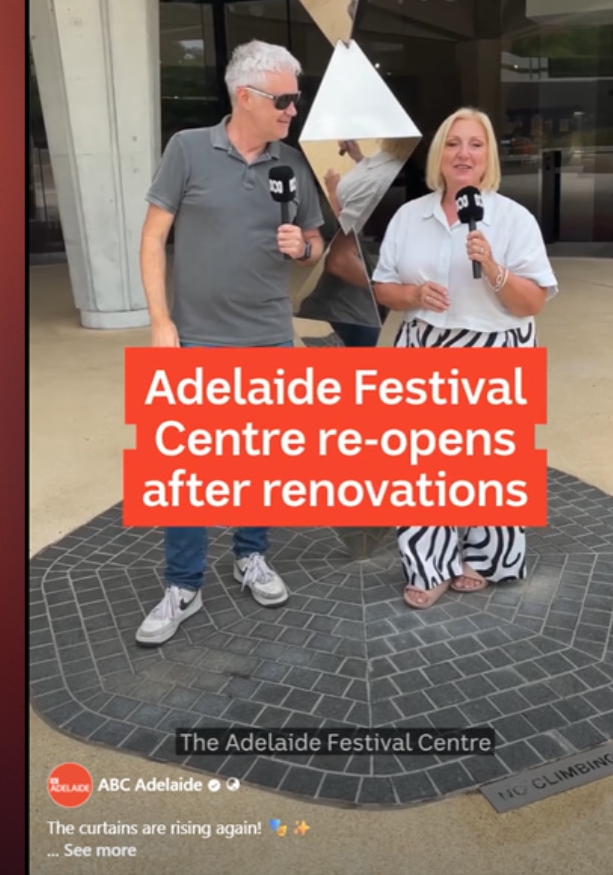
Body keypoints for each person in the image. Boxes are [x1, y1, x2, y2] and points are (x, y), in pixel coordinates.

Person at [134, 40, 325, 645]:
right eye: (285, 99)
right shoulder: (188, 149)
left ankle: (251, 557)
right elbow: (152, 238)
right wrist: (161, 324)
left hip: (269, 337)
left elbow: (316, 242)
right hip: (196, 340)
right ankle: (182, 585)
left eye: (296, 99)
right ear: (245, 96)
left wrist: (305, 248)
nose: (293, 109)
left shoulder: (291, 164)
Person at [370, 107, 557, 609]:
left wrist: (492, 266)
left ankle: (486, 557)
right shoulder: (410, 216)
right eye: (453, 144)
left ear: (488, 156)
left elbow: (532, 302)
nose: (463, 154)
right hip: (424, 348)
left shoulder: (514, 219)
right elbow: (382, 286)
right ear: (439, 155)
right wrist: (412, 294)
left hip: (496, 349)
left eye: (475, 144)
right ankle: (429, 564)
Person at [297, 138, 409, 348]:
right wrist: (359, 160)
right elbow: (345, 247)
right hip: (343, 313)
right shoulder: (393, 178)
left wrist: (333, 192)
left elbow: (342, 251)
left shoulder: (389, 182)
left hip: (352, 313)